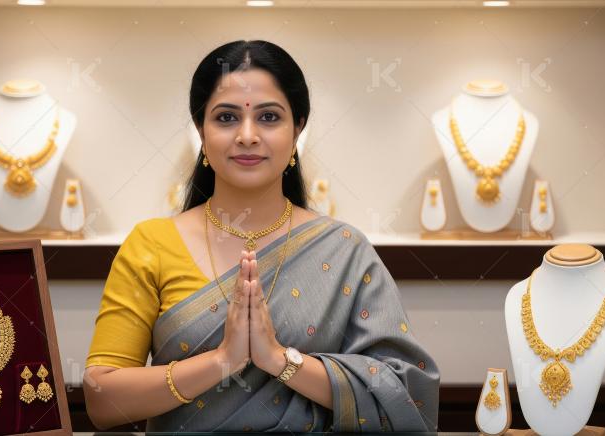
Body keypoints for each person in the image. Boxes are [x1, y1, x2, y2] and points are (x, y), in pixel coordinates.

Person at [83, 40, 439, 432]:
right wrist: (222, 360)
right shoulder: (151, 243)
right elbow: (102, 399)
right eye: (226, 118)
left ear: (297, 129)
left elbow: (405, 394)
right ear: (201, 131)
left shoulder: (345, 250)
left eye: (269, 117)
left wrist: (279, 360)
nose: (248, 135)